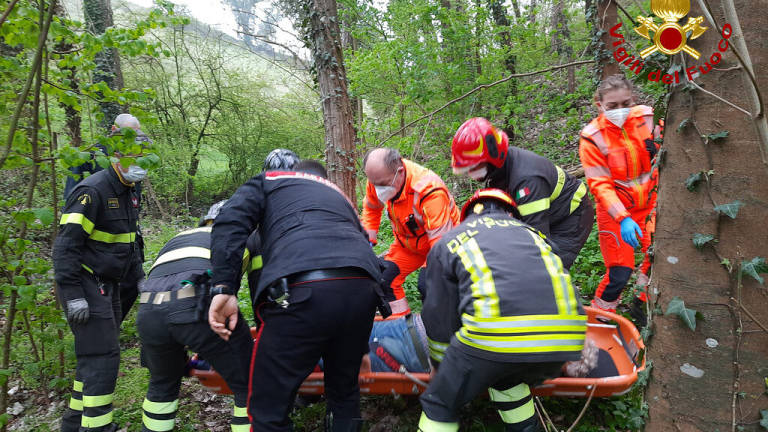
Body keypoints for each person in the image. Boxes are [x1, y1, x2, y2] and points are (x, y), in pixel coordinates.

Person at [208, 159, 390, 432]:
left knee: (268, 406)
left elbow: (230, 220)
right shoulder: (339, 197)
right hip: (362, 290)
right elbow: (362, 244)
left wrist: (223, 287)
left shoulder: (269, 180)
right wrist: (359, 347)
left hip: (302, 293)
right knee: (344, 393)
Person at [418, 188, 587, 432]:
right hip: (565, 342)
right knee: (509, 379)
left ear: (467, 216)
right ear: (512, 214)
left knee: (440, 403)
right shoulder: (535, 236)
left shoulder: (451, 241)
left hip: (494, 339)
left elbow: (440, 315)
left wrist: (441, 365)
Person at [53, 145, 151, 432]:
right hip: (84, 284)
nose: (141, 167)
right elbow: (65, 247)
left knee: (93, 355)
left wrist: (139, 278)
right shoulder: (92, 191)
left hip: (110, 283)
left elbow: (129, 241)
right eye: (136, 159)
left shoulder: (130, 190)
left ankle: (73, 423)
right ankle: (96, 427)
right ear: (117, 158)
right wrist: (73, 296)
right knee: (103, 356)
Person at [136, 202, 253, 432]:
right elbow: (228, 293)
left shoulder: (179, 238)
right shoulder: (238, 238)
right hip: (197, 303)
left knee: (162, 383)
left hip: (149, 309)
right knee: (248, 382)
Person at [451, 118, 594, 270]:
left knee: (544, 270)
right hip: (548, 216)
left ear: (492, 156)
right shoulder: (499, 170)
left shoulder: (527, 180)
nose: (470, 173)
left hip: (570, 219)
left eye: (474, 166)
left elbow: (536, 238)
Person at [578, 74, 661, 326]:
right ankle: (599, 318)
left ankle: (641, 303)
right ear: (599, 105)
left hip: (651, 204)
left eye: (625, 103)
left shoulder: (648, 118)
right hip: (615, 211)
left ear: (633, 99)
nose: (620, 110)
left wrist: (658, 148)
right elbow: (600, 183)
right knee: (619, 271)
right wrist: (623, 218)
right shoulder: (593, 136)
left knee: (655, 258)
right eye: (612, 106)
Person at [361, 148, 460, 315]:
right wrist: (367, 244)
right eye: (374, 184)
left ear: (399, 172)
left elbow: (440, 243)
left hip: (440, 245)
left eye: (383, 185)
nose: (378, 189)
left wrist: (433, 272)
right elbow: (371, 208)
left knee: (430, 285)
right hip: (407, 245)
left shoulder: (429, 189)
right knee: (385, 280)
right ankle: (402, 326)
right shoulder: (378, 178)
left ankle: (440, 330)